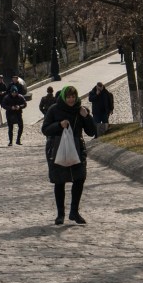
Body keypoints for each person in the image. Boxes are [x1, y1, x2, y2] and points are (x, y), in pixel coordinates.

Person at [41, 86, 96, 225]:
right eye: (68, 97)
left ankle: (74, 212)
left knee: (79, 178)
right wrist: (59, 125)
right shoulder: (54, 109)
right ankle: (60, 214)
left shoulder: (80, 110)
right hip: (58, 148)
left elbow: (91, 131)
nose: (71, 99)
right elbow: (45, 129)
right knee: (60, 181)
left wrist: (87, 117)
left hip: (77, 148)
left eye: (73, 96)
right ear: (64, 97)